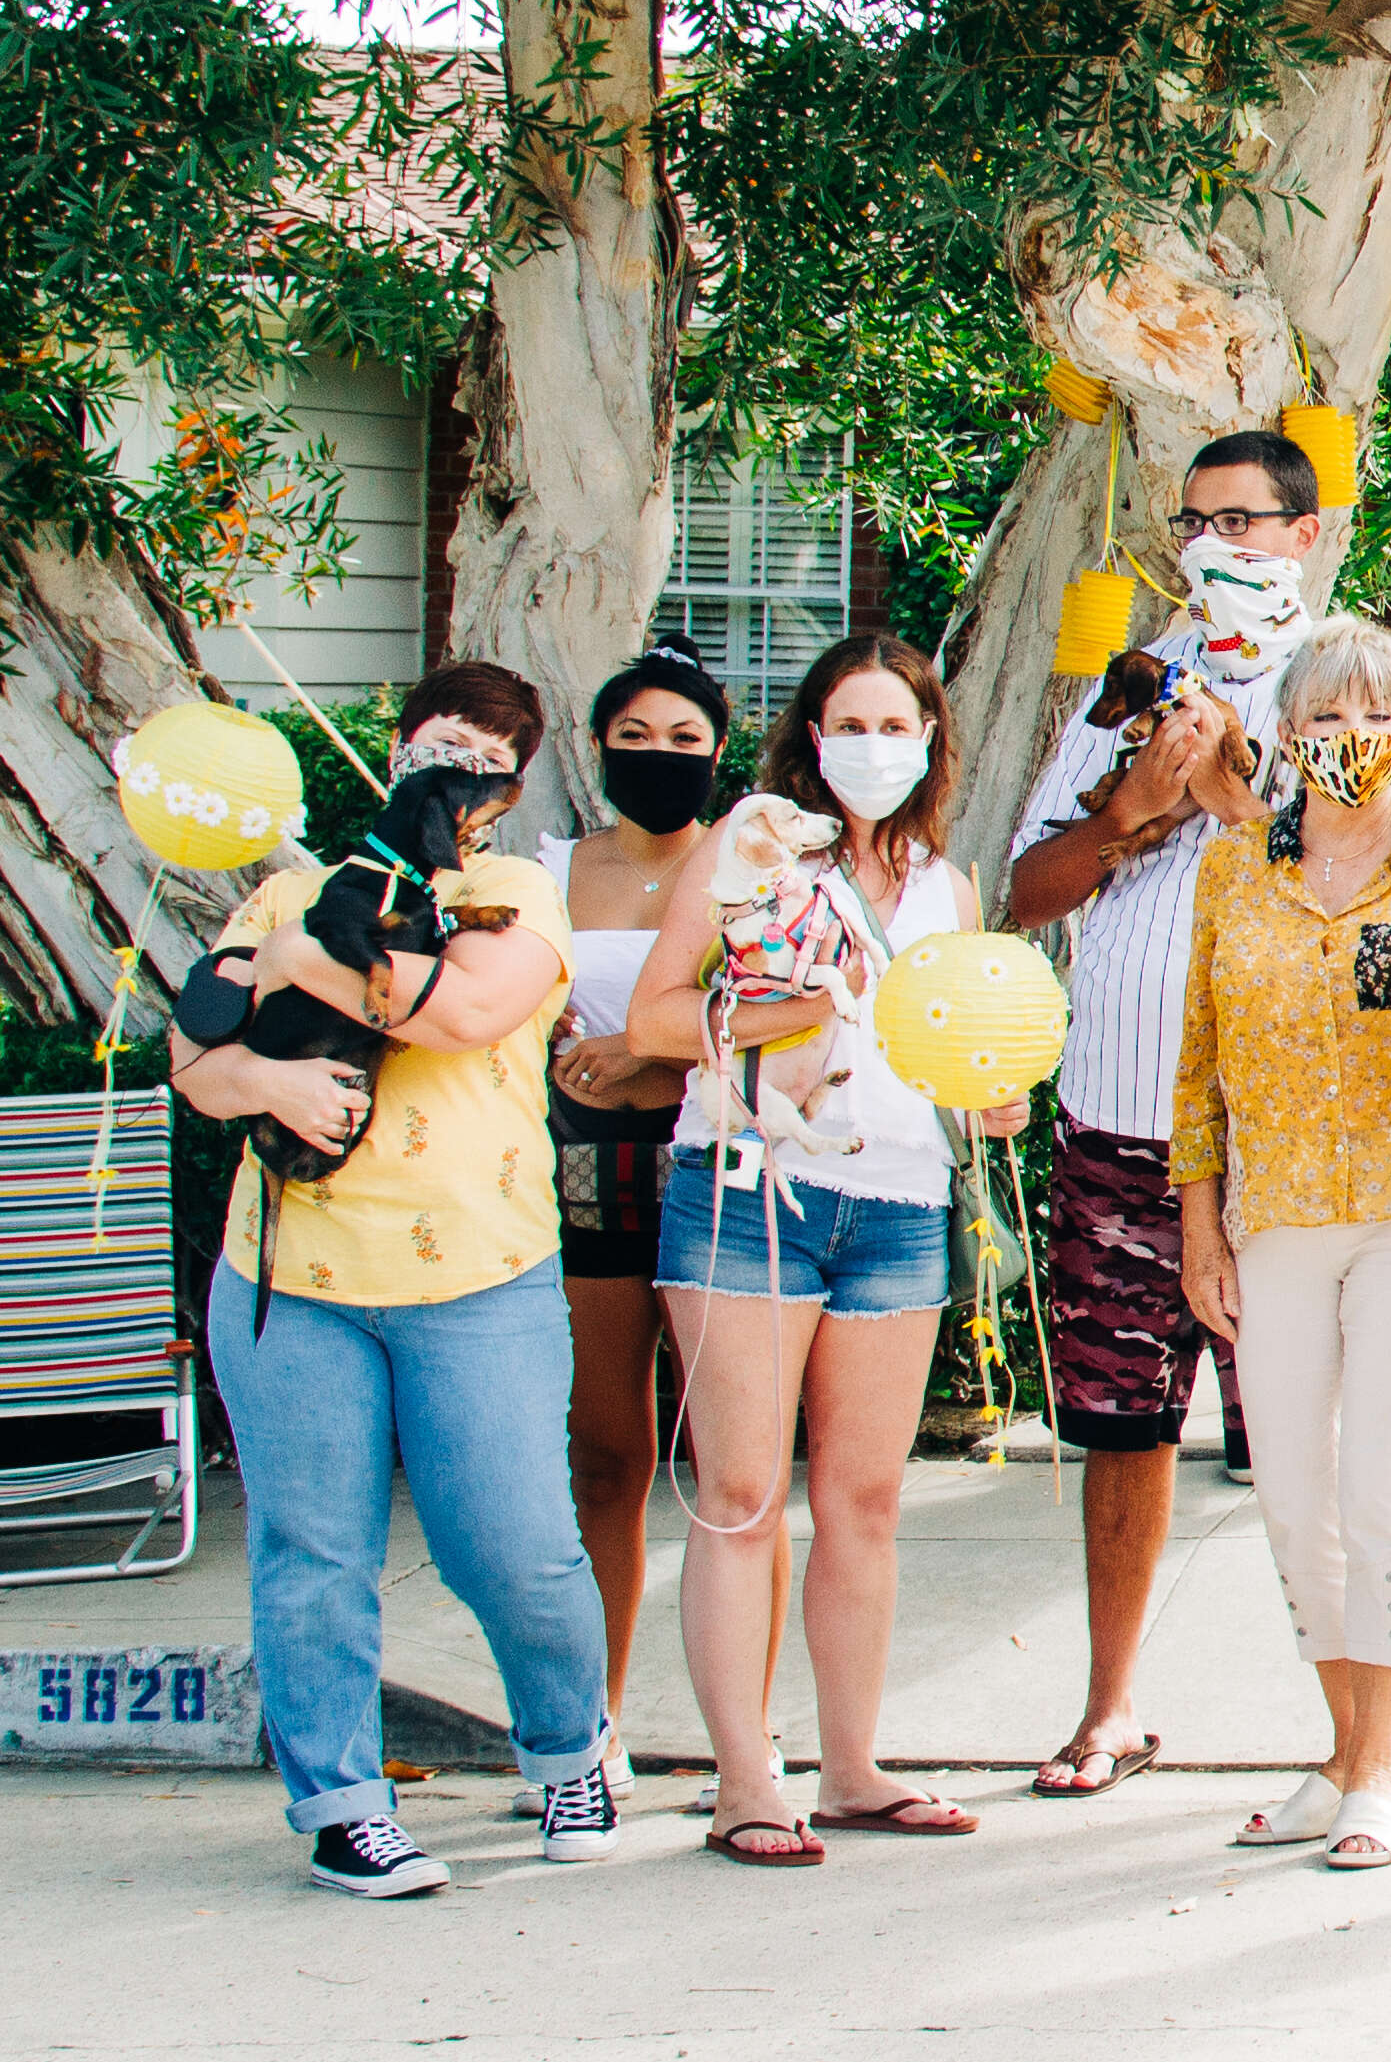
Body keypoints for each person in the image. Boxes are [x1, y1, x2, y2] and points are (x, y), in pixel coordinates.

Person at [1003, 428, 1391, 1806]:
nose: (1222, 543)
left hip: (1298, 1142)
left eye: (1249, 519)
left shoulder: (1343, 683)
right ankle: (1111, 1702)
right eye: (1199, 519)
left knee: (1362, 1442)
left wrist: (1235, 791)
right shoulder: (1125, 692)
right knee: (1121, 1419)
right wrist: (1135, 810)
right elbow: (1031, 887)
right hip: (1120, 1113)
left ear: (1304, 531)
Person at [170, 663, 614, 1897]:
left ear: (509, 786)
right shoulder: (292, 888)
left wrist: (298, 966)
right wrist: (270, 1082)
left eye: (481, 747)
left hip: (477, 1276)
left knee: (513, 1547)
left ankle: (570, 1745)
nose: (450, 756)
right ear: (399, 741)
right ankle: (341, 1804)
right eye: (434, 734)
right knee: (313, 1552)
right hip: (291, 1280)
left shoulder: (512, 890)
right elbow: (194, 1049)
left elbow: (464, 1012)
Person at [631, 633, 1024, 1864]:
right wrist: (789, 1005)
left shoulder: (944, 886)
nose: (871, 748)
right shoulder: (747, 849)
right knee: (743, 1496)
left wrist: (989, 1096)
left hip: (897, 1207)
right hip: (752, 1190)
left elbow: (939, 1045)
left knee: (864, 1498)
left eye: (894, 726)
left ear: (928, 741)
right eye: (846, 726)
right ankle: (746, 1775)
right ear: (812, 739)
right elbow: (652, 1017)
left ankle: (851, 1763)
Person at [1170, 617, 1391, 1872]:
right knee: (1288, 1491)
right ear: (1285, 730)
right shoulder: (1235, 867)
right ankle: (1340, 1751)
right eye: (1327, 716)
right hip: (1272, 1212)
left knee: (1382, 1479)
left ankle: (1379, 1764)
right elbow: (1200, 1053)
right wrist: (1195, 1212)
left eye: (1377, 713)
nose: (1351, 738)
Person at [537, 635, 769, 1809]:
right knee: (606, 1456)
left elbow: (770, 1022)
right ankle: (598, 1721)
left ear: (718, 753)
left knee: (736, 1466)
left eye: (685, 740)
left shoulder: (744, 873)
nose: (659, 757)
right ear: (598, 748)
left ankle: (749, 1736)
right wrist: (609, 1068)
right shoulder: (547, 871)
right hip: (579, 1183)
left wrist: (639, 1057)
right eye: (635, 737)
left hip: (714, 1169)